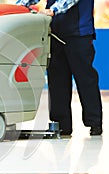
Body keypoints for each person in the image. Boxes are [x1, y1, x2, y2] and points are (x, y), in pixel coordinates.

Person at [16, 0, 103, 136]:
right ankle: (61, 125)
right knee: (57, 79)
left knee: (85, 79)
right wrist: (18, 7)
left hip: (79, 33)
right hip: (55, 32)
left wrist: (53, 10)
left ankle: (94, 122)